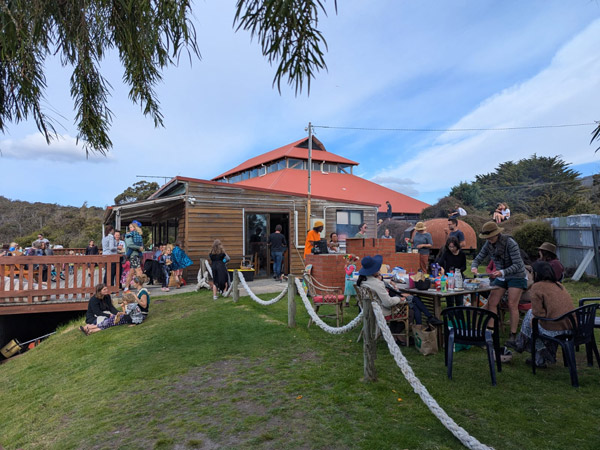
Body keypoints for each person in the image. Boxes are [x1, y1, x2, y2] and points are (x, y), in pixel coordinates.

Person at [507, 261, 574, 368]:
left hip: (554, 328)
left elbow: (539, 314)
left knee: (531, 317)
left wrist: (533, 319)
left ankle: (522, 343)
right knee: (532, 321)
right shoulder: (559, 285)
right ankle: (539, 359)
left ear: (536, 274)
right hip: (570, 327)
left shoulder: (537, 287)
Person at [471, 221, 527, 346]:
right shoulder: (488, 244)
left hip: (516, 275)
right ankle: (490, 331)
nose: (489, 239)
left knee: (512, 304)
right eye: (487, 237)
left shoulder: (510, 243)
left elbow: (518, 264)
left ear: (497, 234)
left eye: (490, 237)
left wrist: (502, 271)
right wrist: (474, 266)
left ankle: (513, 335)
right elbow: (479, 257)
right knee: (492, 302)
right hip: (501, 276)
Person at [435, 236, 466, 307]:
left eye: (453, 247)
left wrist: (459, 271)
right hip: (448, 277)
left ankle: (459, 314)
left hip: (458, 277)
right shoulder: (447, 253)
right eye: (450, 247)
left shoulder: (462, 254)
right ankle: (450, 315)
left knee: (459, 300)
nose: (451, 249)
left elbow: (464, 267)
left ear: (457, 246)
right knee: (450, 300)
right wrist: (441, 268)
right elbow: (439, 262)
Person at [124, 221, 144, 292]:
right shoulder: (129, 235)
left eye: (131, 227)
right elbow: (129, 245)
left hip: (137, 254)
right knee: (139, 270)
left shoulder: (137, 235)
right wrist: (139, 247)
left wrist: (141, 248)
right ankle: (140, 287)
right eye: (129, 227)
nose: (130, 229)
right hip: (133, 255)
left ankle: (126, 287)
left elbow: (141, 244)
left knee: (131, 272)